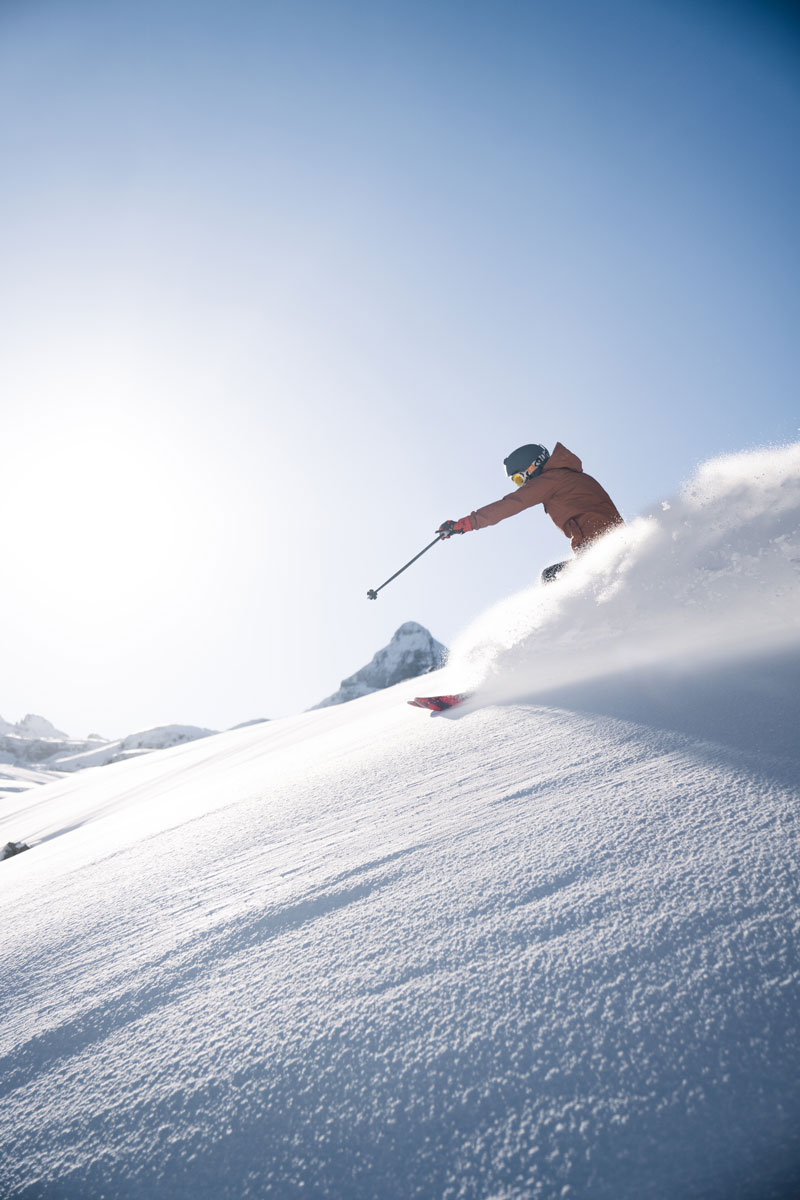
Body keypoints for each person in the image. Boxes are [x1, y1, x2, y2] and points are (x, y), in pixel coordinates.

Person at [437, 442, 624, 584]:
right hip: (607, 543)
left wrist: (466, 524)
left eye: (519, 479)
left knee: (551, 578)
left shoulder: (551, 479)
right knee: (554, 576)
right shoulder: (569, 476)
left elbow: (512, 504)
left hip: (598, 547)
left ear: (533, 466)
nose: (523, 485)